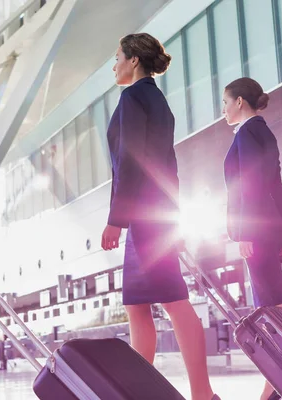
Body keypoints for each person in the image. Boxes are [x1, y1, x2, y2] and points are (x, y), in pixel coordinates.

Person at [101, 33, 220, 400]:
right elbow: (168, 166)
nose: (115, 63)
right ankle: (142, 390)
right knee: (137, 304)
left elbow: (130, 162)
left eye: (118, 56)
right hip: (156, 213)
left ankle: (202, 393)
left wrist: (115, 218)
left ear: (134, 60)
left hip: (145, 215)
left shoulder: (134, 97)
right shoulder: (157, 100)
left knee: (171, 298)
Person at [222, 77, 282, 400]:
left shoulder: (248, 133)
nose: (223, 110)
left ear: (240, 102)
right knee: (270, 311)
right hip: (270, 229)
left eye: (226, 102)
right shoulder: (264, 132)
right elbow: (276, 189)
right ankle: (271, 392)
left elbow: (250, 185)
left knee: (274, 308)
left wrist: (244, 231)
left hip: (256, 230)